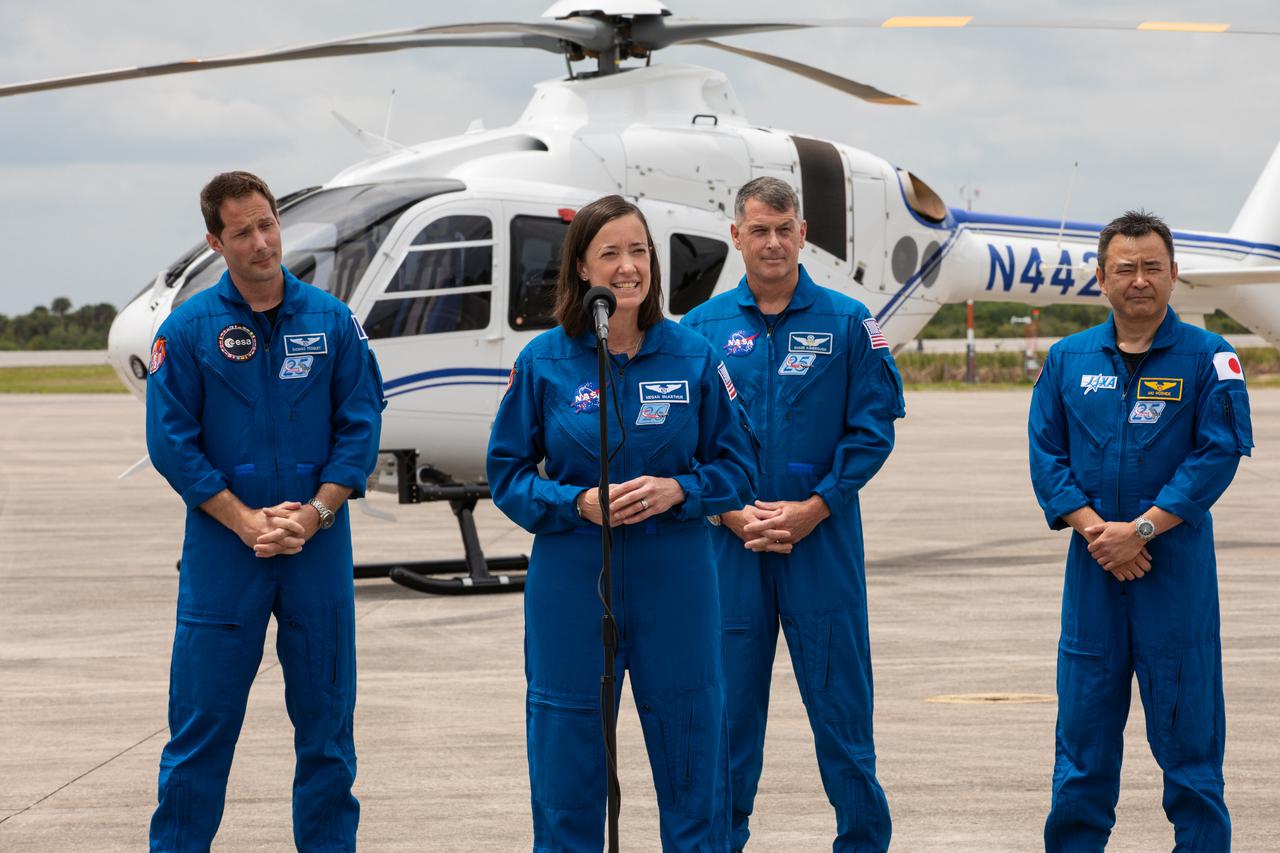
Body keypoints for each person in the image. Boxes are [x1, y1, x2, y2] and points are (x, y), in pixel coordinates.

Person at [487, 194, 757, 852]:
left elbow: (740, 466)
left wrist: (681, 490)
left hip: (677, 579)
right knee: (566, 765)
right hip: (574, 578)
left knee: (695, 759)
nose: (628, 266)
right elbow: (507, 474)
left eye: (639, 250)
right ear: (581, 268)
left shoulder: (694, 355)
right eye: (610, 252)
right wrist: (573, 502)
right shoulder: (543, 361)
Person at [145, 171, 385, 852]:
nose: (261, 242)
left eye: (268, 224)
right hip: (226, 550)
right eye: (243, 231)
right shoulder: (188, 329)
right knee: (200, 730)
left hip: (316, 546)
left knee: (328, 731)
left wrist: (315, 513)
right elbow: (171, 442)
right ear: (215, 241)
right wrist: (242, 518)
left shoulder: (333, 322)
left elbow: (360, 426)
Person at [682, 177, 905, 853]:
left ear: (803, 233)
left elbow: (872, 431)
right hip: (729, 552)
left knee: (843, 719)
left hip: (822, 548)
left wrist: (817, 506)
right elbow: (682, 442)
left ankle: (862, 842)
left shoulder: (849, 323)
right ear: (737, 236)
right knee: (723, 723)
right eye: (759, 230)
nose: (773, 242)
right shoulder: (699, 330)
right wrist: (725, 512)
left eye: (784, 228)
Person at [1028, 211, 1253, 852]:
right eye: (1125, 268)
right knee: (1082, 751)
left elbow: (1216, 454)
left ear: (1174, 275)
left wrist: (1144, 530)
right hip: (1094, 573)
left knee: (1191, 751)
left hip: (1174, 578)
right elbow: (1047, 455)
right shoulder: (1067, 360)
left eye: (1152, 267)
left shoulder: (1211, 358)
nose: (1139, 280)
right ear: (1101, 278)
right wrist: (1104, 534)